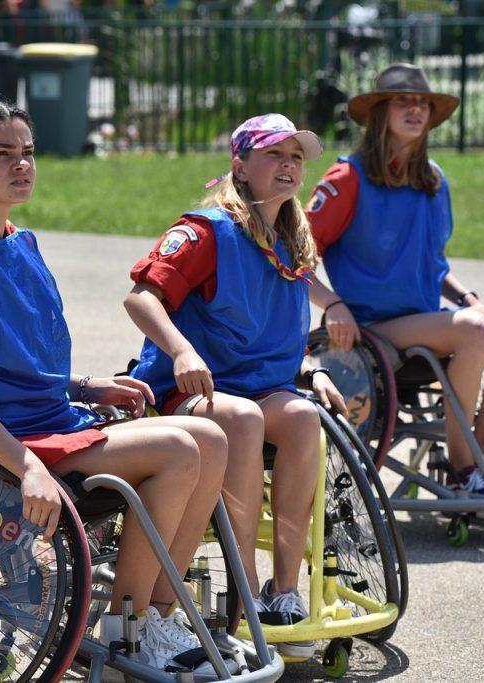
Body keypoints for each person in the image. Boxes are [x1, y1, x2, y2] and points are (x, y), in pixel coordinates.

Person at [0, 99, 229, 672]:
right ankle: (133, 627)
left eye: (27, 152)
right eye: (1, 154)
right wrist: (28, 467)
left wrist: (87, 386)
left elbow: (17, 364)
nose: (21, 164)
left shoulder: (19, 244)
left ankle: (158, 618)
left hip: (49, 422)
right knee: (178, 449)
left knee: (213, 436)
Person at [124, 113, 346, 660]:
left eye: (296, 157)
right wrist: (182, 350)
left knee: (302, 419)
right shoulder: (208, 229)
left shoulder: (291, 237)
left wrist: (310, 370)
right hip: (193, 387)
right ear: (240, 165)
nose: (289, 165)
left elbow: (279, 332)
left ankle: (284, 590)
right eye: (275, 154)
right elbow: (140, 297)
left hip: (261, 384)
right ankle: (244, 587)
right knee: (244, 418)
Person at [306, 63, 484, 494]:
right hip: (369, 331)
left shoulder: (433, 180)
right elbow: (293, 259)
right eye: (404, 101)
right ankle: (462, 467)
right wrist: (332, 305)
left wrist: (464, 294)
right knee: (473, 329)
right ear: (380, 111)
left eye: (422, 103)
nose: (416, 109)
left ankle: (477, 462)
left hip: (427, 320)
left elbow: (434, 264)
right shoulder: (348, 178)